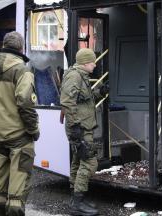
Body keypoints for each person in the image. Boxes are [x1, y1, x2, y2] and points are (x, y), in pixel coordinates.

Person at [0, 31, 40, 216]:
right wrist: (34, 129)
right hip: (18, 135)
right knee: (17, 188)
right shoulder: (22, 70)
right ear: (21, 47)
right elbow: (25, 102)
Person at [60, 48, 108, 216]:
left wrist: (99, 92)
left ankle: (77, 199)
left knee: (78, 161)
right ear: (86, 63)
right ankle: (77, 204)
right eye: (93, 62)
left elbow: (83, 98)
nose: (95, 65)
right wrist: (75, 128)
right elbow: (67, 102)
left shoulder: (81, 76)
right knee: (89, 162)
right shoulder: (75, 76)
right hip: (79, 127)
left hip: (82, 126)